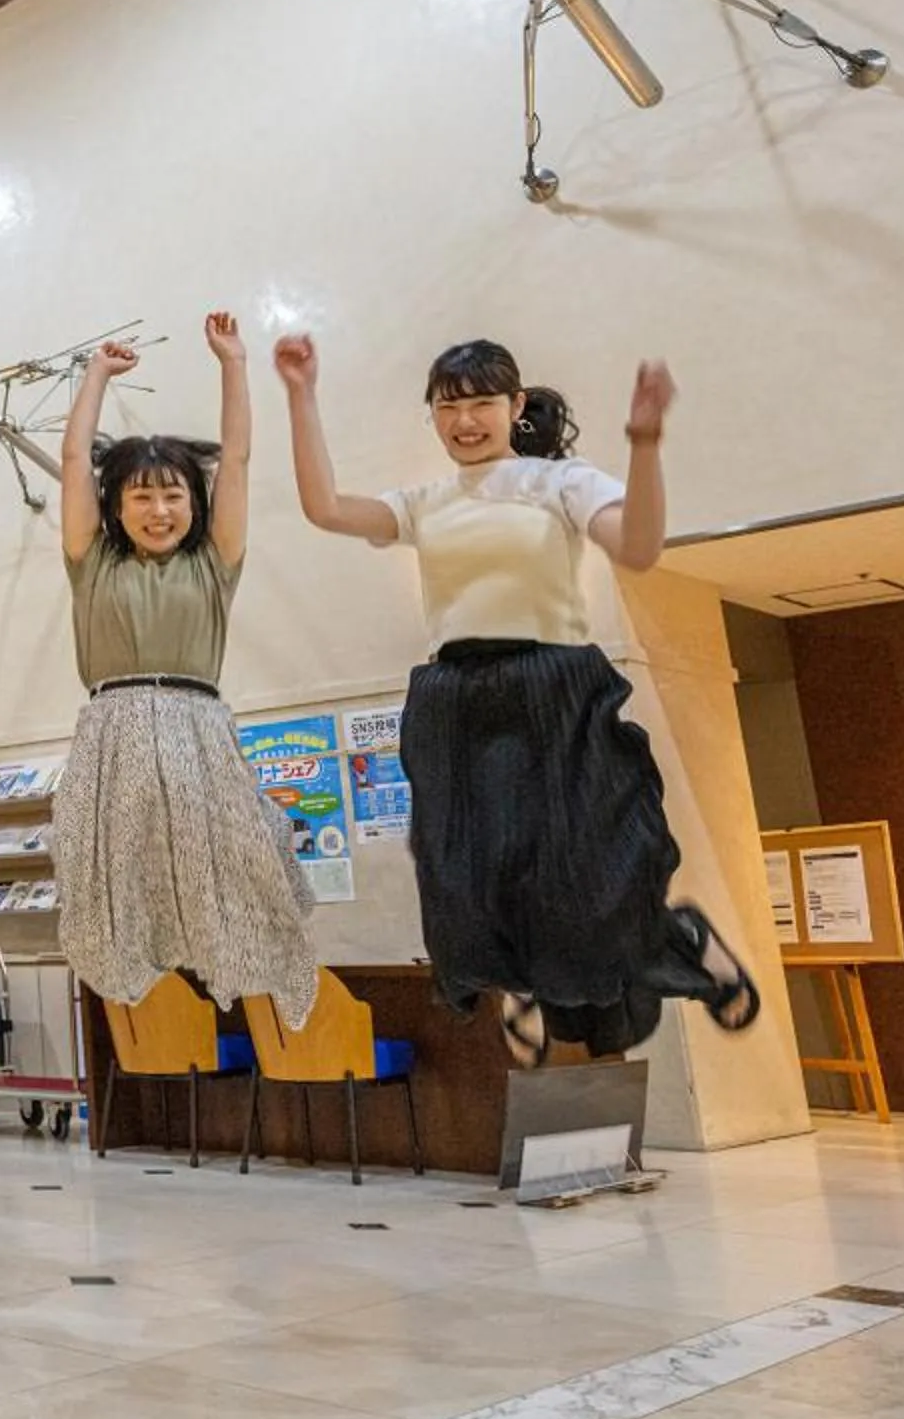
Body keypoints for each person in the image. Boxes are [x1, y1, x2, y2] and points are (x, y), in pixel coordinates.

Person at [275, 334, 760, 1067]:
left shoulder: (558, 484)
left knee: (590, 872)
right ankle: (515, 984)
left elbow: (636, 546)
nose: (465, 421)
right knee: (461, 874)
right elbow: (324, 509)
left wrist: (646, 441)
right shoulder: (425, 502)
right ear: (433, 416)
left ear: (515, 406)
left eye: (481, 404)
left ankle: (681, 939)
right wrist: (301, 393)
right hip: (456, 697)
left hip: (553, 685)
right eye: (449, 407)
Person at [52, 316, 320, 1026]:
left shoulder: (213, 563)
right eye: (140, 495)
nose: (159, 508)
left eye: (172, 494)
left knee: (233, 873)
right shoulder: (93, 562)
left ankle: (247, 996)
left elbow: (236, 460)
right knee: (114, 887)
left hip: (198, 728)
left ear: (193, 504)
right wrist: (96, 377)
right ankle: (145, 1013)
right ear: (116, 506)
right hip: (112, 734)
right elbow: (76, 461)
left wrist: (233, 364)